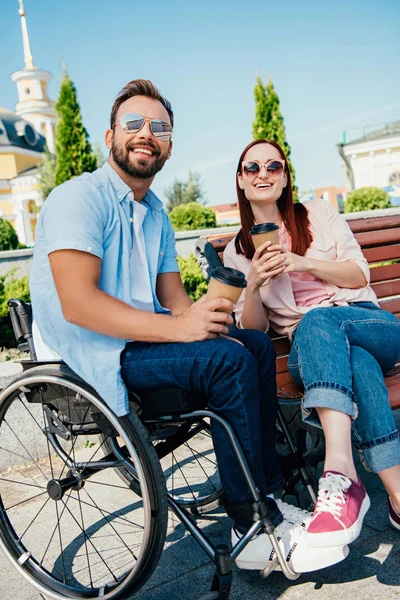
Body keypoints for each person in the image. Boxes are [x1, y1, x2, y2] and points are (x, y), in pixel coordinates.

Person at [29, 80, 348, 574]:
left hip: (140, 338)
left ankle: (268, 496)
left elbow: (174, 300)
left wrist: (208, 315)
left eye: (159, 127)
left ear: (170, 145)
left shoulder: (154, 212)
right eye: (133, 124)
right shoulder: (79, 199)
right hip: (90, 349)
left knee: (252, 346)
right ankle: (250, 521)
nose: (146, 134)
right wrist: (183, 330)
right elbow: (79, 305)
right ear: (110, 135)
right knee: (226, 359)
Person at [224, 138, 400, 548]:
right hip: (311, 352)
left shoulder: (318, 213)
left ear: (285, 177)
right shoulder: (237, 251)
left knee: (323, 322)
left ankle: (340, 470)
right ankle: (396, 495)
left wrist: (303, 262)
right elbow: (254, 330)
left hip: (371, 324)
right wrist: (252, 286)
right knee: (353, 363)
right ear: (241, 180)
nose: (263, 173)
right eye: (253, 168)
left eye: (273, 166)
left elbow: (360, 275)